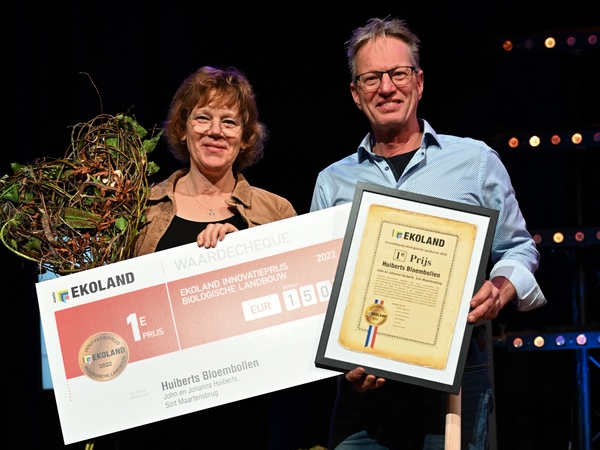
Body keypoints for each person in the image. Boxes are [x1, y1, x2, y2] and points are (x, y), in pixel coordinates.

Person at [310, 18, 546, 450]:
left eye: (398, 74)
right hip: (364, 387)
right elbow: (319, 287)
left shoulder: (474, 161)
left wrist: (500, 288)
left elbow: (518, 248)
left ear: (418, 82)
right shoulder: (333, 182)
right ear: (355, 93)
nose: (386, 88)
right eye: (371, 78)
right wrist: (345, 363)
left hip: (455, 379)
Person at [117, 66, 295, 449]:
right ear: (182, 129)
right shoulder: (139, 210)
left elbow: (297, 310)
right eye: (202, 118)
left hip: (241, 414)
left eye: (229, 122)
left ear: (245, 138)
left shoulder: (276, 212)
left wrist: (245, 253)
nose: (215, 131)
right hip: (153, 414)